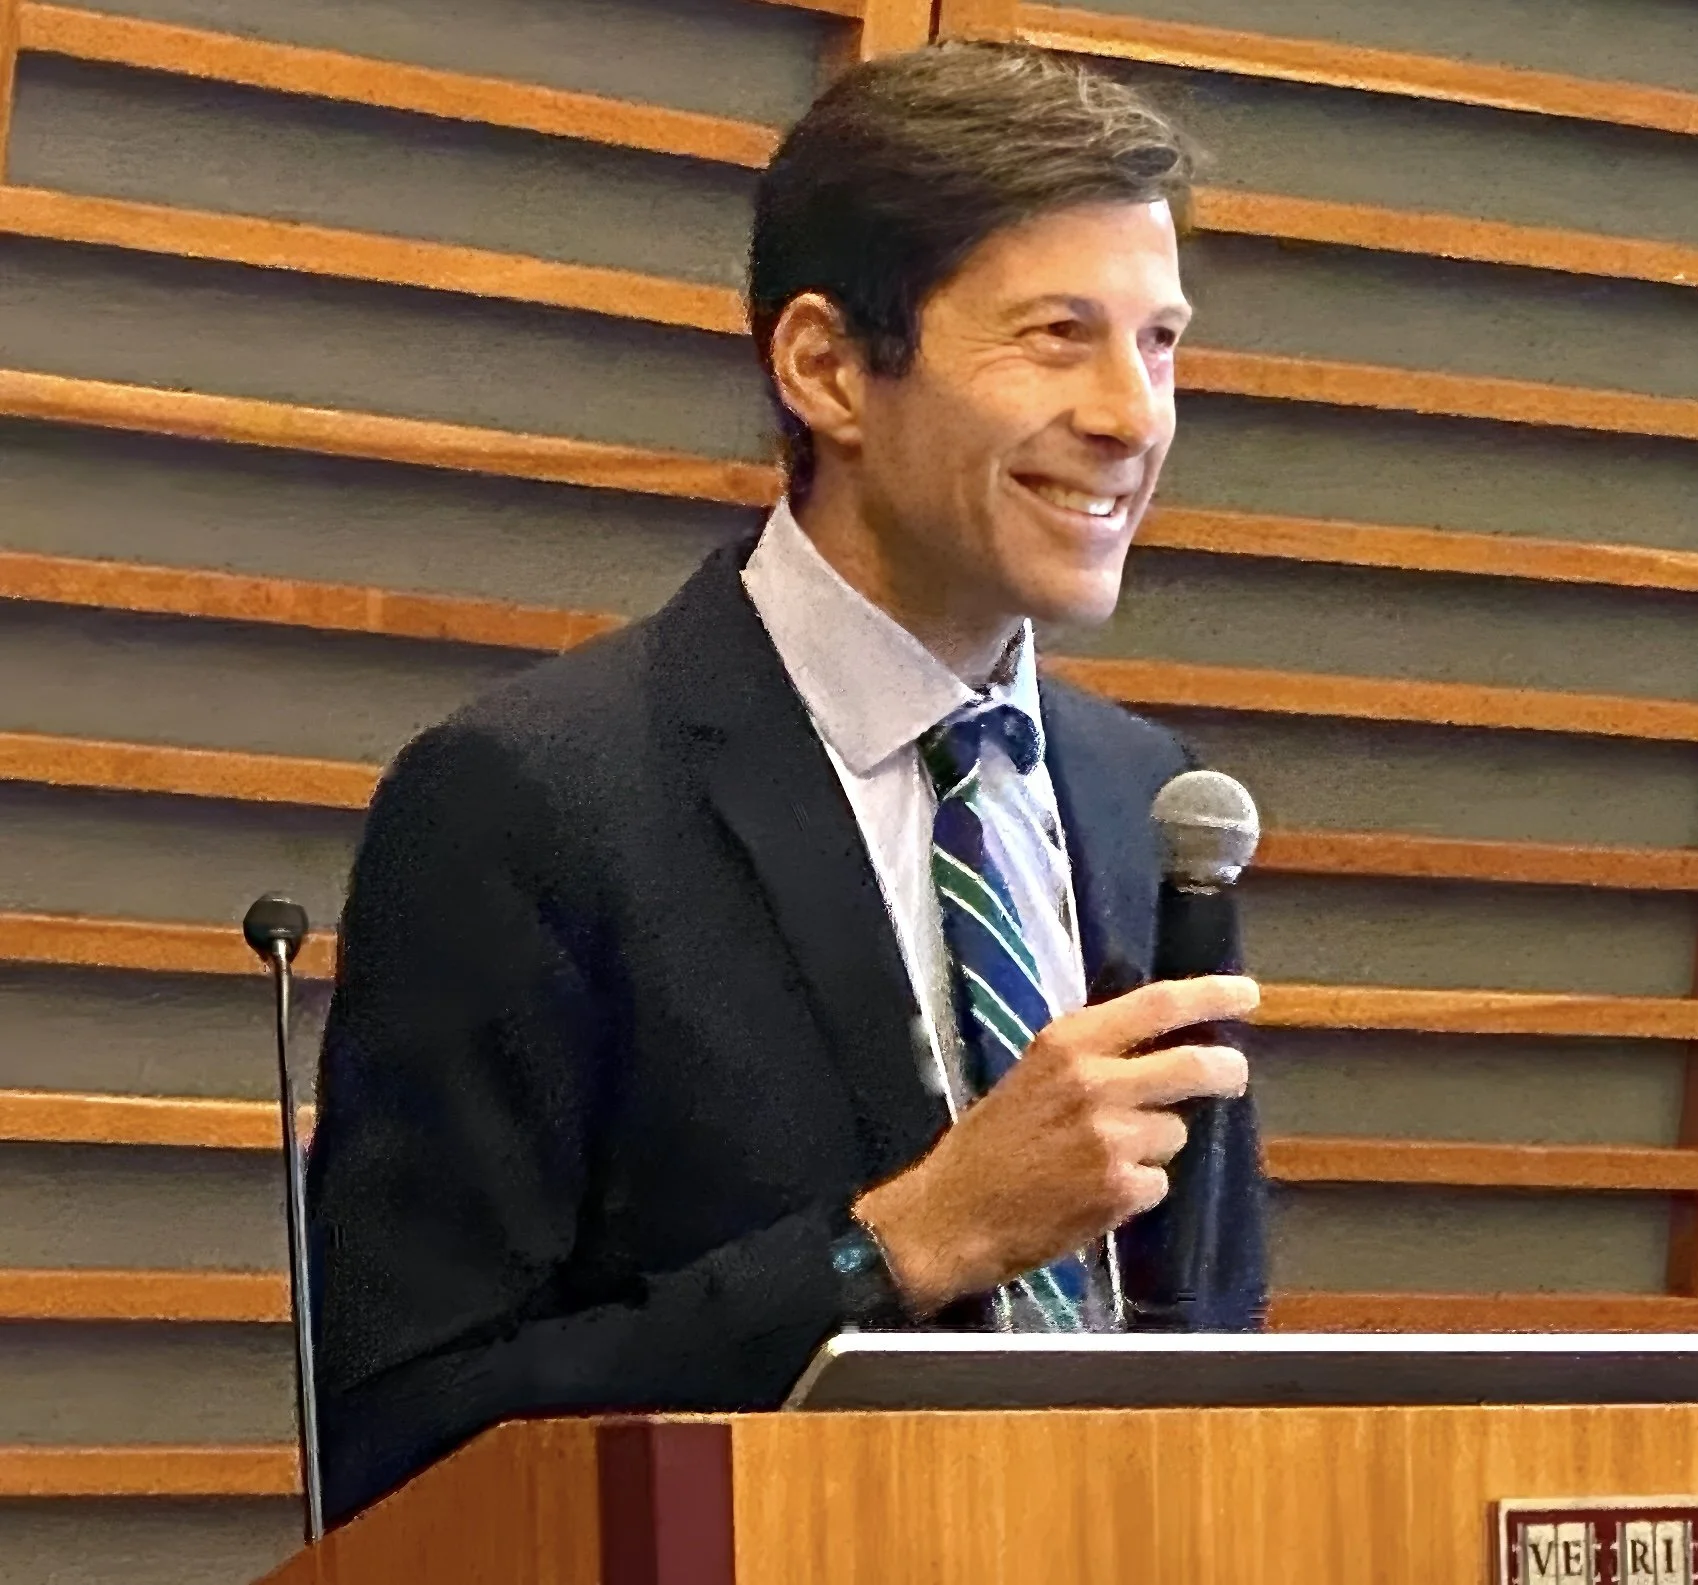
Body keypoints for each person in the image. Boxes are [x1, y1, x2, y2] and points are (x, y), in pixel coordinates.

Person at [305, 42, 1265, 1525]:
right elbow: (409, 1440)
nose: (1133, 417)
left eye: (1161, 343)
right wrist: (903, 1243)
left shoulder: (1155, 801)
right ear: (825, 369)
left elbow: (1211, 1338)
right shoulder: (526, 801)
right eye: (1058, 337)